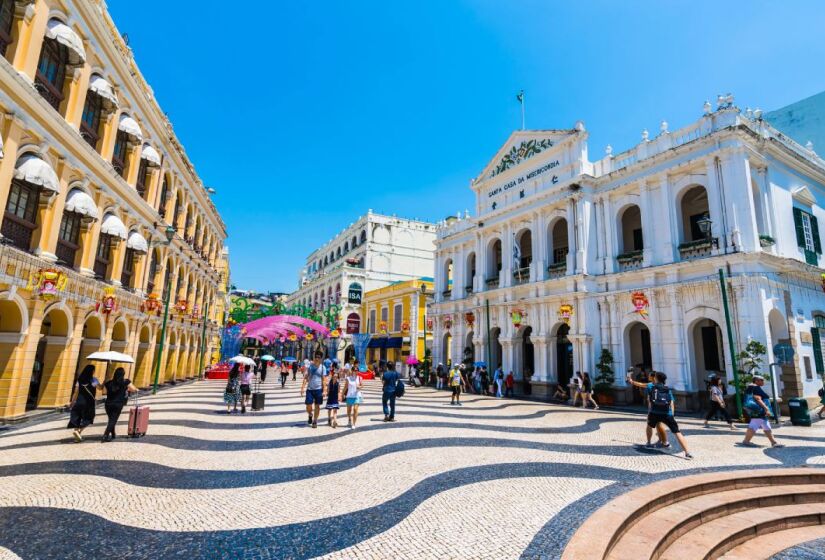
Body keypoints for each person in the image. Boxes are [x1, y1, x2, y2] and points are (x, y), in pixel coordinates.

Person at [645, 372, 693, 459]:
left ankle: (648, 443)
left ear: (656, 379)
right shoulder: (667, 389)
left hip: (654, 412)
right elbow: (671, 403)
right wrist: (672, 415)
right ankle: (687, 452)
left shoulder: (652, 388)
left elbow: (650, 402)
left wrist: (649, 413)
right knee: (677, 432)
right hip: (667, 413)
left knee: (649, 425)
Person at [626, 370, 668, 447]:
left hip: (652, 409)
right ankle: (662, 440)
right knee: (659, 425)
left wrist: (631, 381)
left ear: (653, 377)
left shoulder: (650, 385)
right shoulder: (662, 385)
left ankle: (649, 442)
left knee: (649, 425)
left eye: (649, 375)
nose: (648, 376)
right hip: (661, 409)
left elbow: (641, 384)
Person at [741, 375, 784, 448]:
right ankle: (746, 441)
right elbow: (758, 399)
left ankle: (773, 442)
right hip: (760, 410)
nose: (763, 381)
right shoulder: (756, 388)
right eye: (762, 380)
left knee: (766, 425)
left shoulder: (753, 387)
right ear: (756, 381)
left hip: (759, 411)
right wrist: (766, 409)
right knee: (754, 425)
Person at [101, 367, 138, 442]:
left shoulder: (109, 383)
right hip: (118, 404)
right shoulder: (126, 382)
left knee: (111, 419)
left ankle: (113, 434)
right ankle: (106, 435)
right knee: (113, 420)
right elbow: (134, 389)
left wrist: (105, 381)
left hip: (108, 404)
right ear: (123, 374)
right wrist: (134, 389)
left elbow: (104, 390)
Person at [68, 365, 100, 442]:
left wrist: (72, 403)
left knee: (78, 418)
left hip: (79, 401)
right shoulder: (94, 380)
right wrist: (105, 381)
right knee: (89, 417)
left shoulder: (79, 380)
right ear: (92, 371)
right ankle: (78, 431)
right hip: (89, 403)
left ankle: (77, 438)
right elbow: (100, 388)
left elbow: (76, 392)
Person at [300, 351, 328, 428]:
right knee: (308, 405)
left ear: (321, 358)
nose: (317, 358)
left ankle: (315, 420)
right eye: (316, 357)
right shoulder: (310, 367)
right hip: (310, 389)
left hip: (319, 389)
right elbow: (306, 377)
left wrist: (325, 390)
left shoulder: (323, 367)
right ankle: (310, 414)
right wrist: (302, 387)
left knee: (317, 406)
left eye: (319, 357)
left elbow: (324, 379)